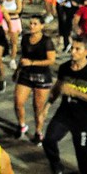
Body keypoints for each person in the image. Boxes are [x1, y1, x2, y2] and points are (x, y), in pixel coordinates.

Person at [42, 36, 87, 174]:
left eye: (77, 49)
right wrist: (47, 107)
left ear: (86, 52)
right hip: (64, 114)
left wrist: (75, 92)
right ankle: (57, 167)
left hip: (83, 119)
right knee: (48, 140)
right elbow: (57, 88)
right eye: (72, 49)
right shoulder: (64, 68)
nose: (73, 52)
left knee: (83, 155)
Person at [14, 15, 56, 144]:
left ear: (42, 26)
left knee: (38, 107)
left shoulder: (47, 41)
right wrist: (17, 71)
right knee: (18, 102)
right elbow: (23, 56)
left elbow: (51, 60)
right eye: (30, 23)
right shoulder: (26, 38)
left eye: (35, 24)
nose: (32, 26)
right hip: (25, 75)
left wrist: (32, 62)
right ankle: (22, 125)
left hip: (42, 77)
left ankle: (38, 131)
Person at [1, 0, 23, 70]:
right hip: (4, 21)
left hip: (14, 20)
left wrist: (7, 11)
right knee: (2, 39)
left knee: (13, 42)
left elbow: (18, 10)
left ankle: (12, 59)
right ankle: (2, 54)